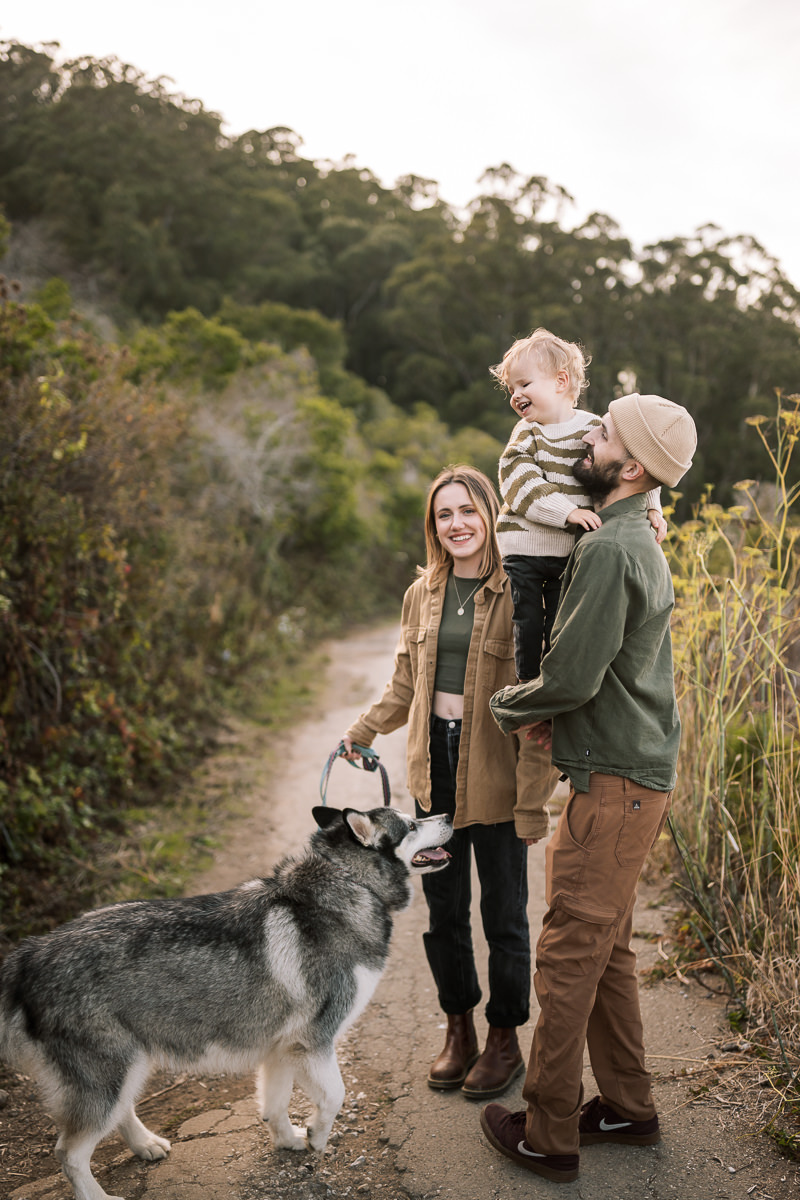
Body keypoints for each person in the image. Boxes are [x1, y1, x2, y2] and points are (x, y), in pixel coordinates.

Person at [478, 393, 697, 1183]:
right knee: (606, 953)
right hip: (626, 774)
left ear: (630, 465)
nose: (589, 437)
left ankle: (548, 1133)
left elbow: (572, 672)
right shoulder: (635, 538)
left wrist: (507, 707)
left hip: (614, 785)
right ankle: (630, 1108)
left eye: (603, 432)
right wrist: (559, 722)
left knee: (569, 951)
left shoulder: (611, 550)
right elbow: (607, 674)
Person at [342, 465, 558, 1099]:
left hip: (497, 763)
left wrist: (534, 797)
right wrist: (360, 731)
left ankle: (503, 1039)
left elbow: (540, 703)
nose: (457, 523)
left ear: (489, 513)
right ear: (433, 526)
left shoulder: (521, 590)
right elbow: (406, 685)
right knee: (442, 913)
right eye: (444, 514)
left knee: (505, 915)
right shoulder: (423, 593)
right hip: (433, 766)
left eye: (467, 510)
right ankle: (458, 1029)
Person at [490, 328, 665, 682]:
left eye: (524, 384)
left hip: (567, 550)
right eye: (512, 390)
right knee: (526, 617)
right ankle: (527, 681)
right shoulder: (526, 434)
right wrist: (566, 512)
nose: (516, 395)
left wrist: (652, 507)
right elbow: (519, 483)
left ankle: (554, 685)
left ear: (560, 381)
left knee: (561, 620)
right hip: (524, 546)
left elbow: (631, 467)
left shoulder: (592, 427)